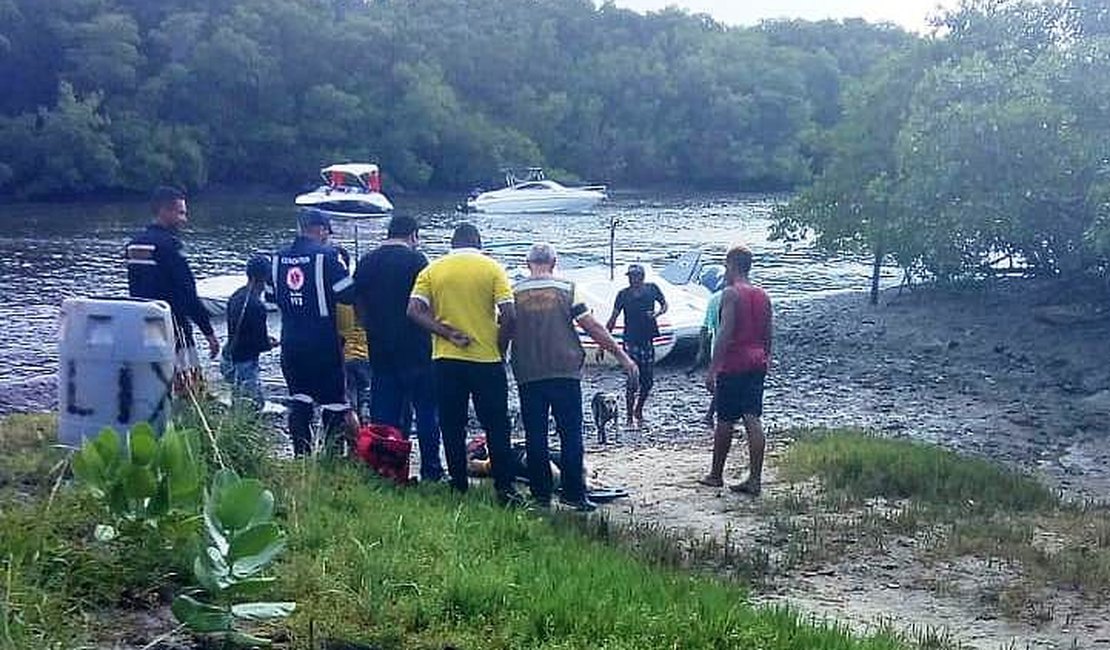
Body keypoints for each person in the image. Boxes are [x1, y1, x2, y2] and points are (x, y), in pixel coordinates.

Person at [511, 243, 639, 511]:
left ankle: (541, 495)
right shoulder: (567, 289)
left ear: (527, 263)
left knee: (535, 435)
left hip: (528, 371)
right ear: (554, 262)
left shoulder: (515, 292)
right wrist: (620, 355)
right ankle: (573, 493)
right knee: (570, 434)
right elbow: (590, 326)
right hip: (564, 370)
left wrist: (498, 356)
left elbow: (505, 327)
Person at [407, 223, 522, 505]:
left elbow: (413, 311)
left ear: (452, 243)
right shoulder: (492, 268)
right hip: (486, 358)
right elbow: (509, 315)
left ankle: (458, 484)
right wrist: (500, 346)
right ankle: (504, 488)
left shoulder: (432, 270)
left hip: (446, 358)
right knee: (497, 424)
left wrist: (445, 332)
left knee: (451, 423)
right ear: (478, 242)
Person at [354, 215, 444, 483]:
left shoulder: (367, 262)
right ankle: (431, 470)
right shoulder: (417, 261)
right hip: (416, 347)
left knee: (385, 414)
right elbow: (428, 302)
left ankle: (388, 469)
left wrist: (367, 322)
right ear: (413, 235)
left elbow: (354, 299)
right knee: (427, 411)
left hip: (380, 347)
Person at [271, 208, 355, 457]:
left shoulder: (278, 258)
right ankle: (331, 457)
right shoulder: (327, 256)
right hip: (322, 342)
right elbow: (347, 293)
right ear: (320, 230)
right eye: (327, 233)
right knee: (333, 402)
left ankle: (301, 456)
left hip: (291, 341)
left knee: (300, 399)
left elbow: (270, 296)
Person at [125, 186, 219, 394]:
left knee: (151, 386)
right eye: (180, 212)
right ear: (164, 211)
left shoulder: (134, 245)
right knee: (189, 388)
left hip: (143, 326)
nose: (184, 219)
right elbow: (187, 292)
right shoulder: (170, 246)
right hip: (174, 326)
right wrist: (209, 332)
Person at [700, 244, 773, 495]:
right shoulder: (763, 295)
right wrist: (767, 357)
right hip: (757, 360)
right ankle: (755, 478)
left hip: (735, 362)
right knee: (753, 417)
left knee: (725, 419)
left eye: (726, 265)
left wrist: (713, 368)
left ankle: (715, 474)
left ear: (731, 265)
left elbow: (724, 332)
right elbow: (768, 333)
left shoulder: (731, 294)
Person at [605, 263, 667, 428]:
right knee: (632, 379)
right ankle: (629, 416)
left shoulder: (652, 289)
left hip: (647, 339)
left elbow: (664, 305)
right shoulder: (623, 295)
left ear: (642, 277)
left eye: (635, 277)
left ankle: (638, 409)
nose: (633, 280)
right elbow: (613, 318)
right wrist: (603, 342)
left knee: (648, 381)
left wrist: (657, 313)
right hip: (630, 341)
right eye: (630, 277)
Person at [221, 255, 278, 408]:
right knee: (254, 404)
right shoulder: (257, 306)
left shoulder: (236, 295)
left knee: (238, 399)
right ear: (266, 277)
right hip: (245, 361)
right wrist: (272, 343)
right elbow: (260, 344)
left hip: (229, 356)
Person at [335, 247, 372, 424]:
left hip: (344, 356)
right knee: (366, 399)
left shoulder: (336, 297)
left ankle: (353, 443)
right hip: (365, 355)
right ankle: (366, 437)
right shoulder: (364, 295)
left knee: (349, 403)